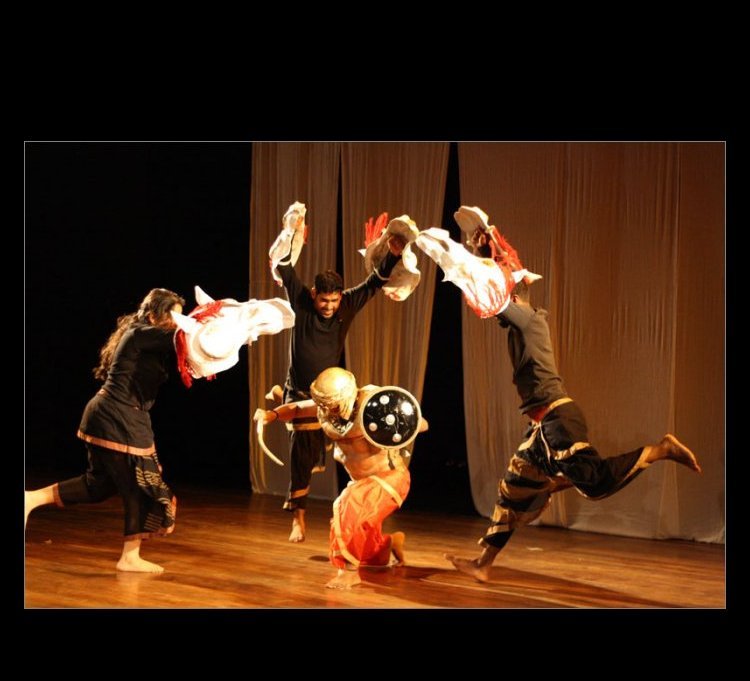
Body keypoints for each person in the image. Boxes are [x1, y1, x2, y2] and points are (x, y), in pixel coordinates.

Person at [417, 207, 701, 583]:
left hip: (558, 420)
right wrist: (486, 254)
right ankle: (483, 563)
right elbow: (497, 296)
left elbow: (495, 294)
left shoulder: (528, 320)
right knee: (513, 490)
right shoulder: (523, 322)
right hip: (542, 428)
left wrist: (469, 255)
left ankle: (660, 449)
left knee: (595, 484)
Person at [268, 202, 419, 544]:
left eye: (334, 301)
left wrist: (393, 255)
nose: (329, 306)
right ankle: (298, 517)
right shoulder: (302, 301)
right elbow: (284, 267)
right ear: (314, 295)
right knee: (301, 452)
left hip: (338, 397)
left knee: (359, 443)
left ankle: (372, 501)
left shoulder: (346, 304)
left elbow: (374, 282)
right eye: (324, 301)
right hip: (301, 392)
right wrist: (291, 231)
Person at [24, 288, 187, 574]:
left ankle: (30, 499)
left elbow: (185, 345)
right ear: (153, 316)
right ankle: (129, 558)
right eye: (172, 317)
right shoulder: (139, 334)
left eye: (180, 318)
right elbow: (184, 337)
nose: (177, 324)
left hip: (123, 417)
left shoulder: (149, 341)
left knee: (97, 486)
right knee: (138, 487)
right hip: (114, 417)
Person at [254, 367, 429, 589]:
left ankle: (349, 572)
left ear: (346, 396)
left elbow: (422, 424)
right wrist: (272, 415)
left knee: (349, 507)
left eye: (332, 405)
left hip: (389, 478)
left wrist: (400, 421)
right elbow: (297, 409)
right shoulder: (327, 409)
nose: (327, 410)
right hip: (361, 483)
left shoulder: (371, 404)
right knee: (367, 550)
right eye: (324, 405)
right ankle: (389, 543)